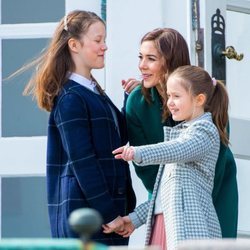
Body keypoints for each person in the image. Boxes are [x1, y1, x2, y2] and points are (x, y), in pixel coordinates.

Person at [23, 10, 136, 245]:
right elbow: (83, 161)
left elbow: (116, 138)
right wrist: (109, 214)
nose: (104, 46)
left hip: (106, 217)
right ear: (74, 45)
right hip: (89, 220)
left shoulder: (92, 92)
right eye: (97, 40)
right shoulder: (71, 98)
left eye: (104, 40)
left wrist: (130, 99)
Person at [121, 28, 238, 237]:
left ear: (169, 62)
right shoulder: (137, 102)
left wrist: (197, 202)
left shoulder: (204, 95)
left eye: (151, 59)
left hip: (214, 189)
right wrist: (167, 200)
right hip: (165, 191)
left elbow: (217, 160)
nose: (142, 65)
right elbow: (148, 174)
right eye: (141, 57)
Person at [107, 65, 228, 250]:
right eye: (169, 96)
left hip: (190, 233)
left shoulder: (204, 131)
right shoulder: (181, 133)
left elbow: (178, 149)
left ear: (199, 99)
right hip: (169, 227)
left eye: (176, 96)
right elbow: (165, 194)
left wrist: (138, 152)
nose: (170, 102)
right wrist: (134, 219)